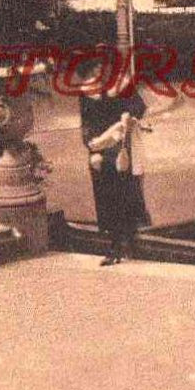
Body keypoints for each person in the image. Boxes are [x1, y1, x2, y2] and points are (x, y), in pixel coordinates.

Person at [78, 60, 151, 265]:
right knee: (105, 197)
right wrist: (91, 146)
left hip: (120, 148)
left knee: (125, 193)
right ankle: (113, 246)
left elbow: (139, 106)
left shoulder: (120, 84)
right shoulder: (87, 90)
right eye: (95, 65)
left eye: (102, 64)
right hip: (99, 148)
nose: (100, 69)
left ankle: (128, 241)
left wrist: (129, 117)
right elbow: (85, 121)